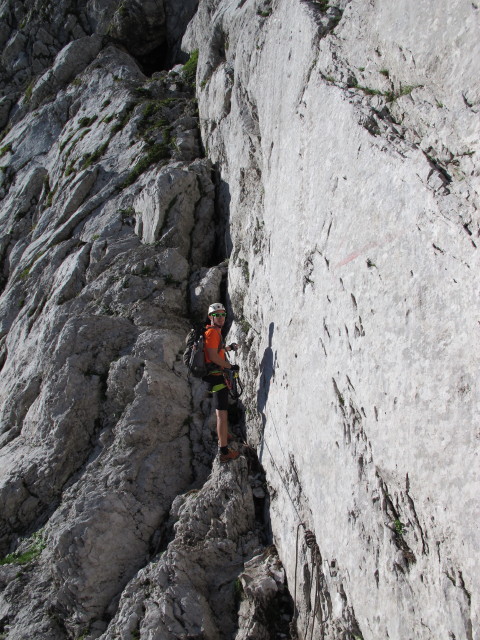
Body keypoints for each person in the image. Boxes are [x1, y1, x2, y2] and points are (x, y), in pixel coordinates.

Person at [203, 302, 240, 462]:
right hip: (217, 375)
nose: (221, 318)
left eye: (223, 314)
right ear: (211, 317)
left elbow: (216, 350)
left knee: (221, 413)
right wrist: (230, 366)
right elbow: (213, 357)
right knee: (221, 415)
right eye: (217, 315)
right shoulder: (212, 333)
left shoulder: (214, 333)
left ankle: (224, 434)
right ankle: (224, 451)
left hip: (215, 374)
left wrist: (229, 348)